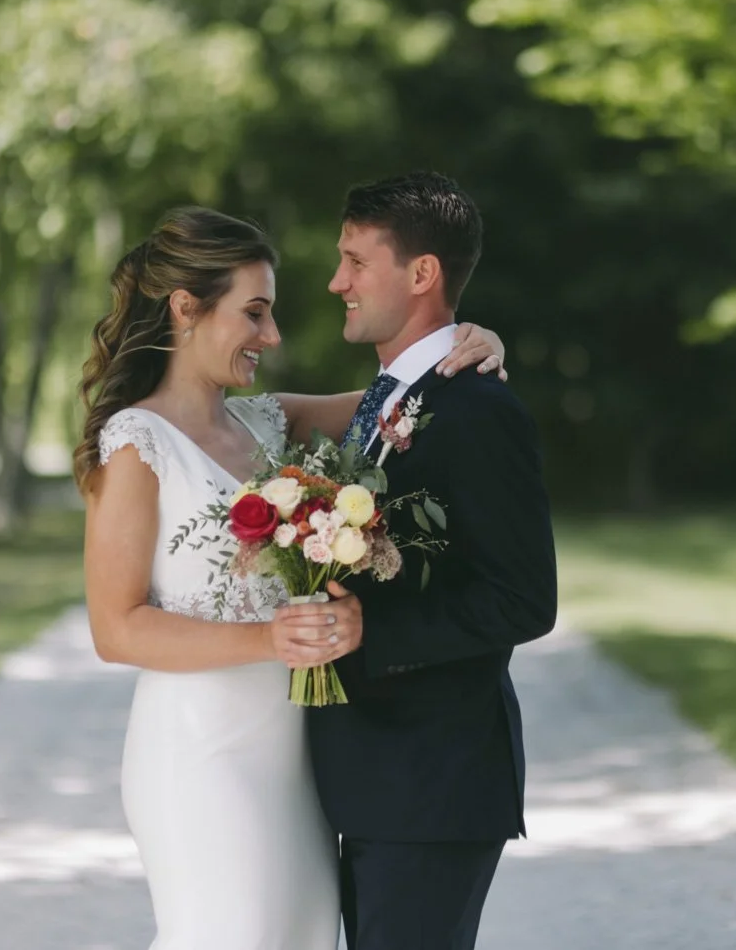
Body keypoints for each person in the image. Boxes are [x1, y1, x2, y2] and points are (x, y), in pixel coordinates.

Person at [76, 206, 507, 950]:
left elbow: (407, 405)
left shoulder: (267, 423)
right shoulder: (136, 443)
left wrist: (475, 344)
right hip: (201, 752)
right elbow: (116, 628)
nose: (271, 337)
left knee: (300, 937)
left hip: (295, 758)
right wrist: (270, 636)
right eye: (255, 312)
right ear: (186, 307)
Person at [284, 172, 558, 950]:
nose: (337, 280)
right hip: (378, 780)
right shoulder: (394, 398)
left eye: (354, 261)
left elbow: (524, 600)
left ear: (422, 273)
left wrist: (368, 626)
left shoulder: (479, 408)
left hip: (433, 783)